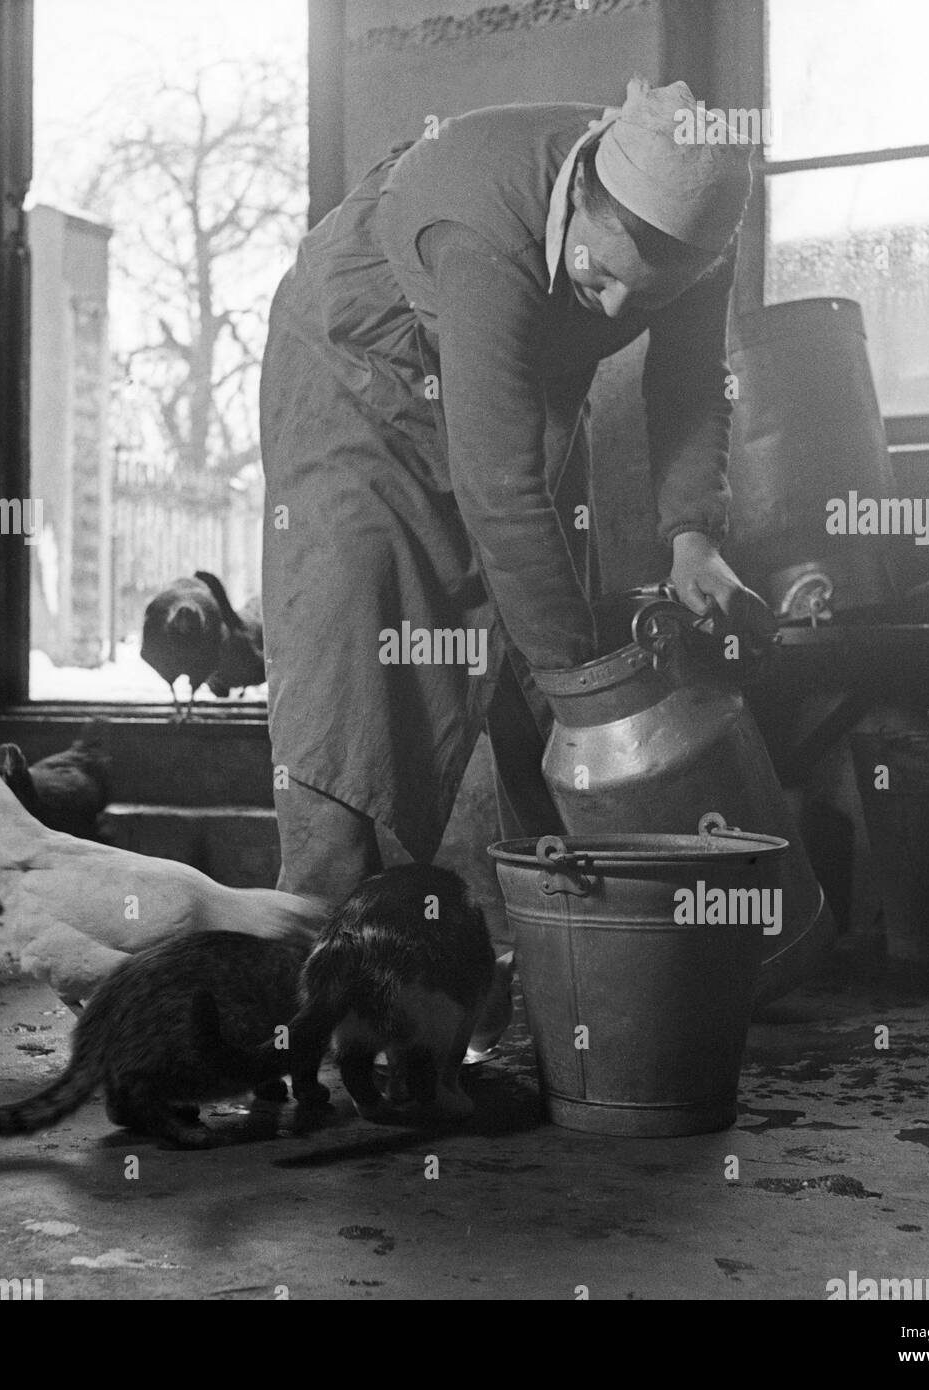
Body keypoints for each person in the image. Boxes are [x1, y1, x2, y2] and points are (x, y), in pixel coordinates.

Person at [260, 77, 755, 904]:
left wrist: (693, 534)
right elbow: (500, 494)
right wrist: (590, 699)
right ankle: (323, 905)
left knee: (552, 635)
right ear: (580, 197)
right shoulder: (484, 226)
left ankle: (577, 939)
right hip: (360, 378)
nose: (619, 310)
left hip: (524, 380)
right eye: (601, 277)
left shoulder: (701, 233)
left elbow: (689, 385)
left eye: (649, 296)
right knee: (352, 629)